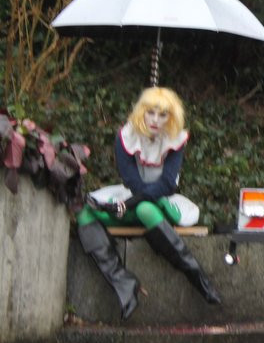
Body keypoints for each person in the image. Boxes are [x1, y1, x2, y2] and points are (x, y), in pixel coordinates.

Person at [75, 87, 221, 319]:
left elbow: (167, 184)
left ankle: (198, 279)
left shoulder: (175, 139)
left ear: (171, 117)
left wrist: (131, 204)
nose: (155, 120)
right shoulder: (126, 136)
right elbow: (131, 180)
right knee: (85, 214)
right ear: (141, 112)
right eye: (151, 112)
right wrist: (128, 202)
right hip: (131, 196)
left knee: (145, 208)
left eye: (163, 114)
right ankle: (124, 285)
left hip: (162, 201)